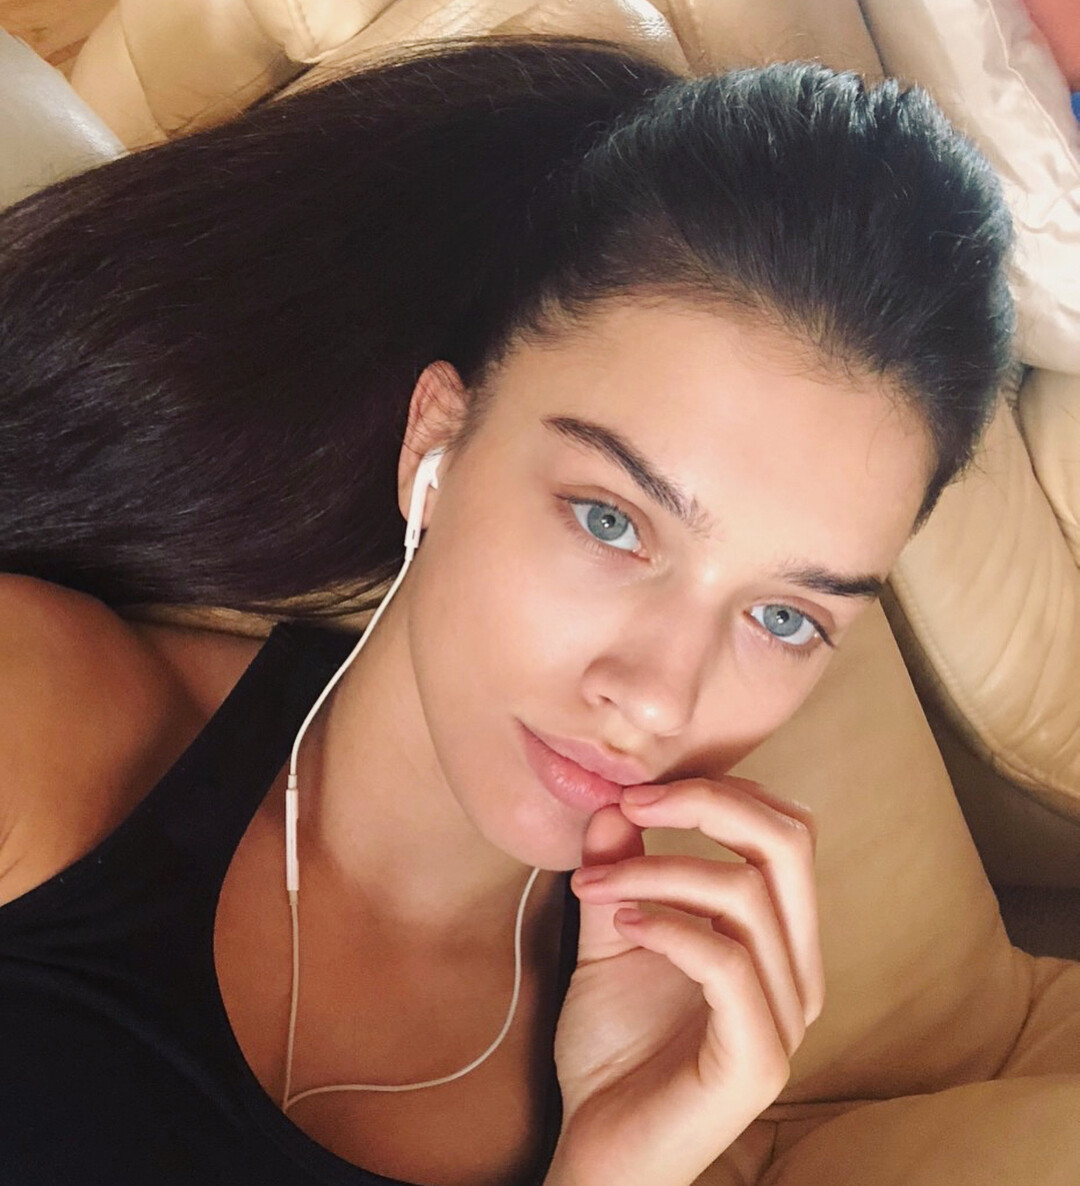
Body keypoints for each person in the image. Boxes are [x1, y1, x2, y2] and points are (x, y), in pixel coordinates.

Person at [0, 35, 1014, 1186]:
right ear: (435, 446)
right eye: (612, 520)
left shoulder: (639, 1055)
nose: (657, 697)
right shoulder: (44, 725)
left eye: (785, 618)